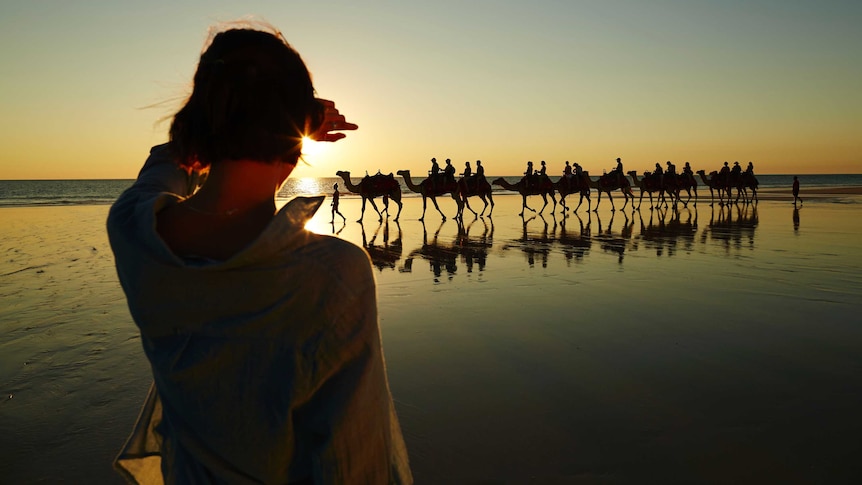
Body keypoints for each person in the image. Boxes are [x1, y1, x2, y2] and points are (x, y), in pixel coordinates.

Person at [107, 23, 412, 484]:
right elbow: (352, 464)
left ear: (200, 124)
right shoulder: (332, 274)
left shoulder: (134, 230)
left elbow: (161, 167)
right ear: (295, 139)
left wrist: (226, 120)